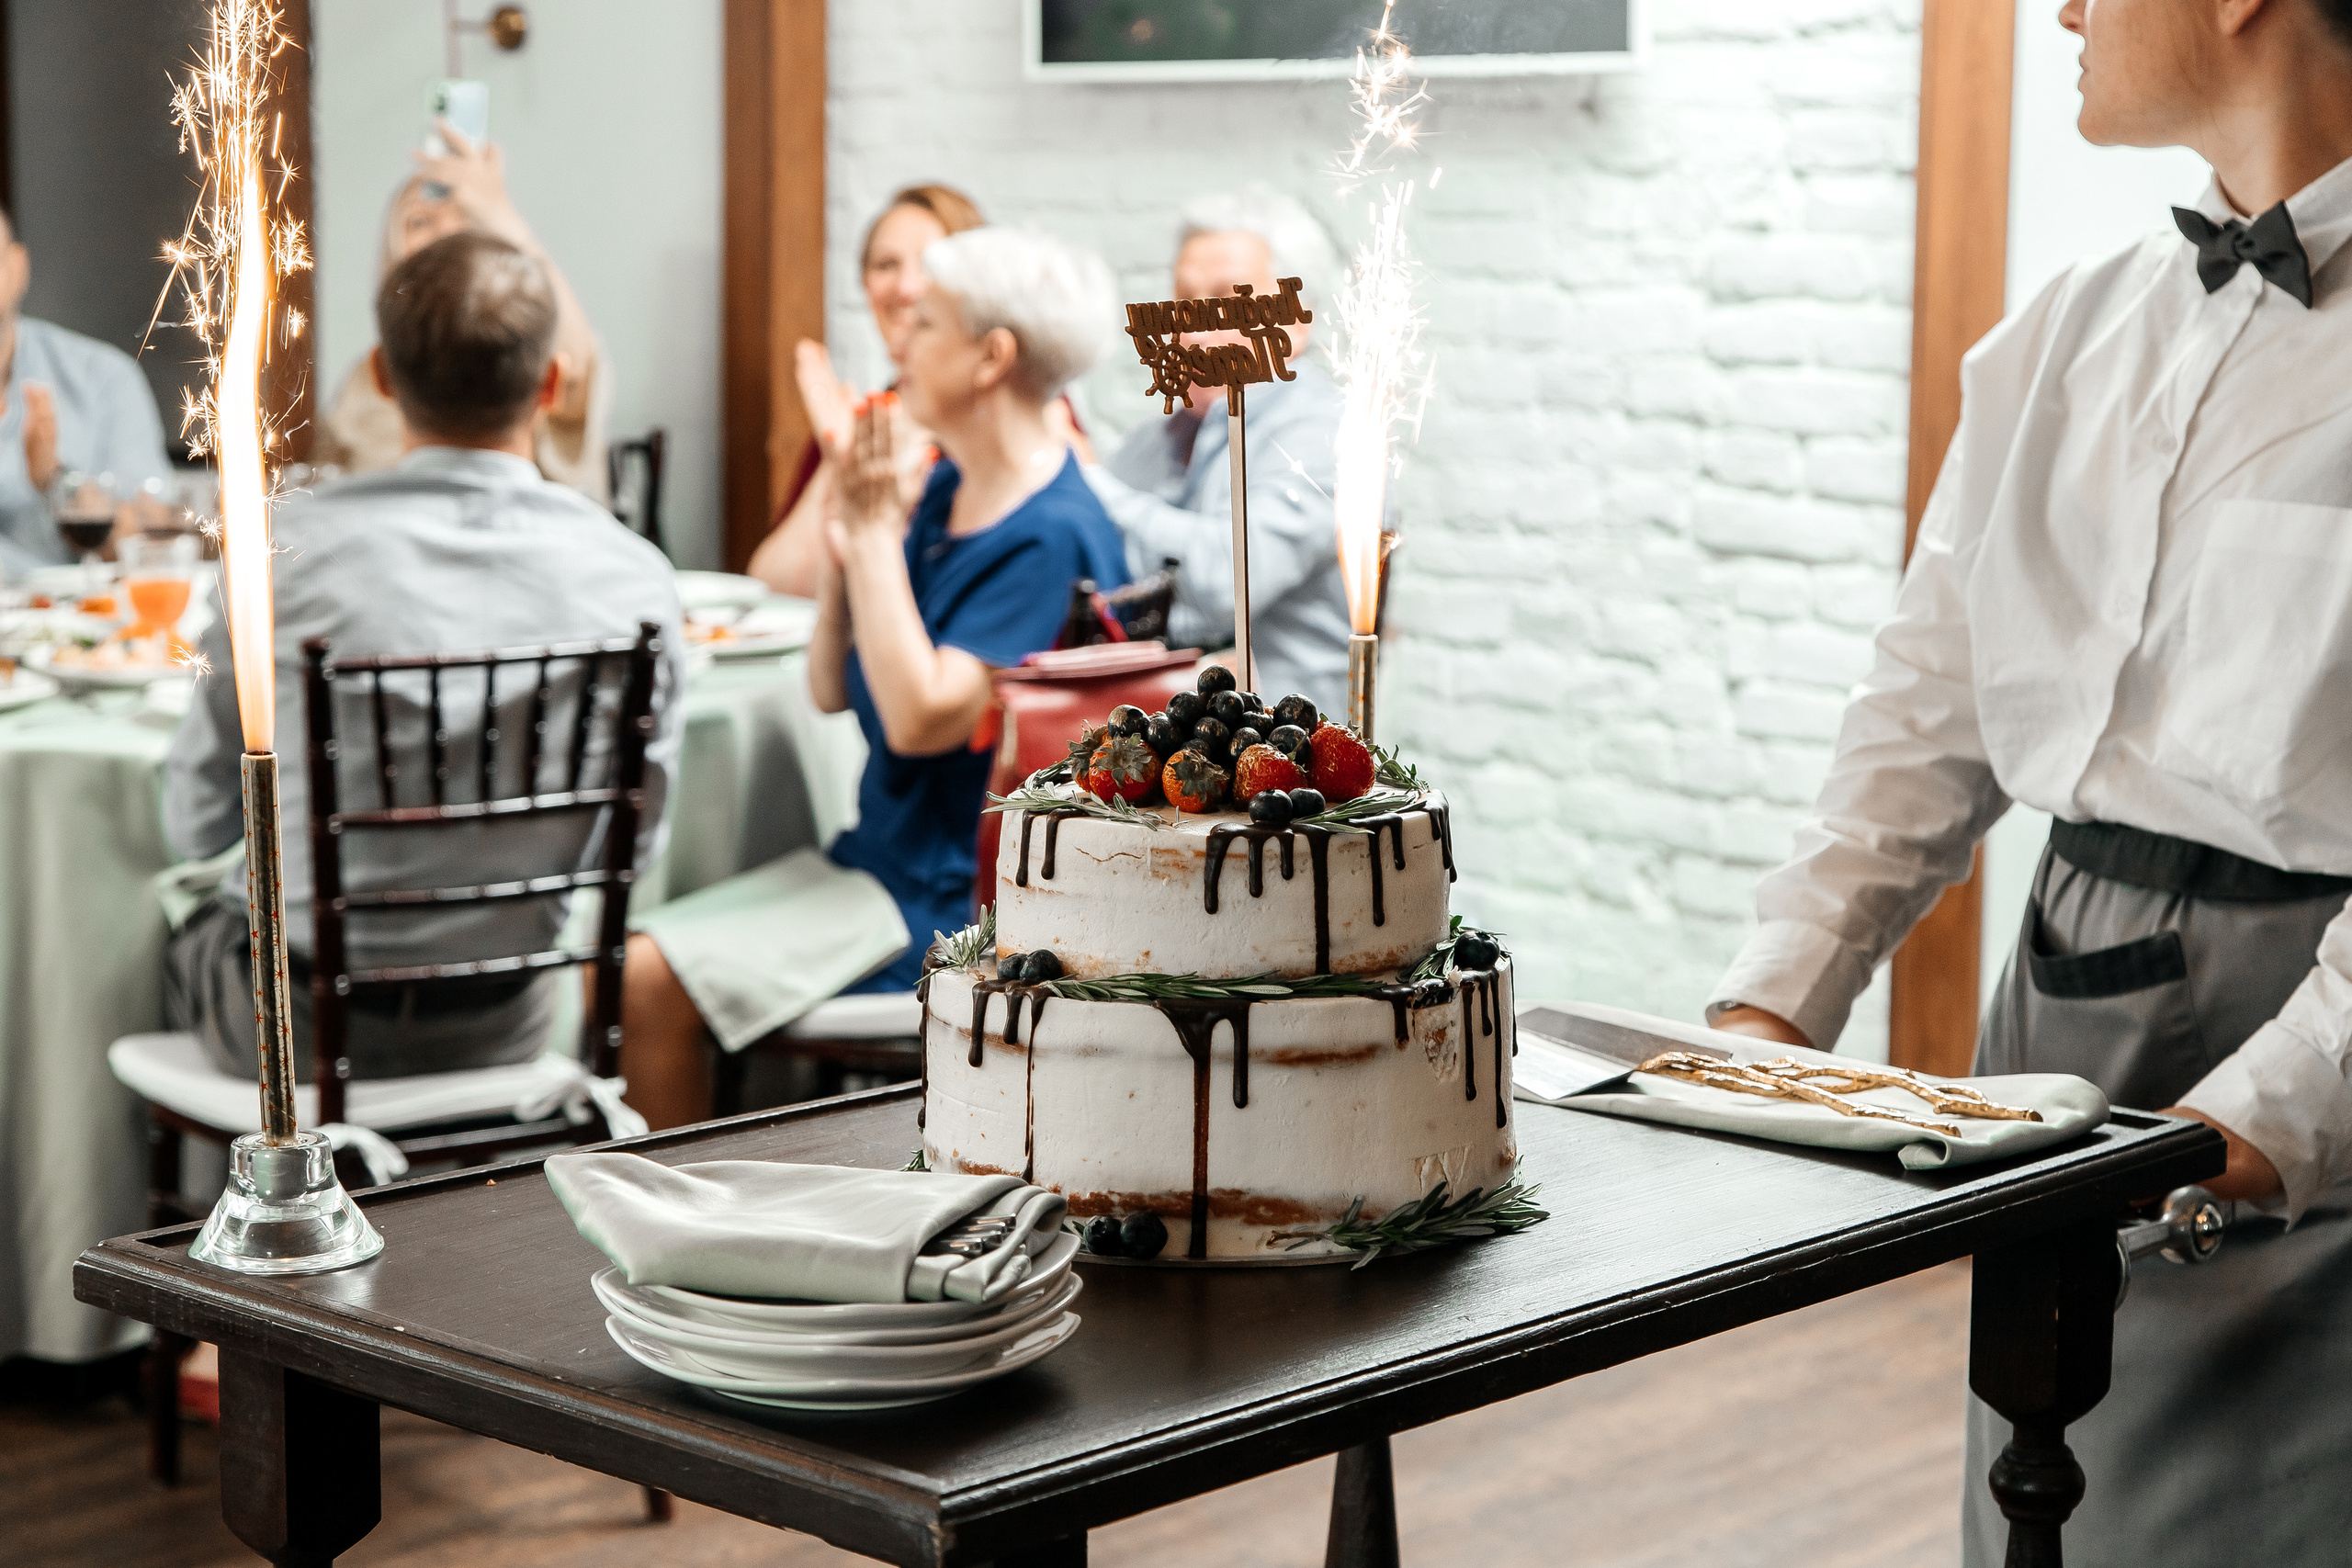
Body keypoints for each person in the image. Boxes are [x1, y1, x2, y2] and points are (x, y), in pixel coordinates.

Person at [1705, 1, 2352, 1562]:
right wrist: (1764, 1018)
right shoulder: (2064, 329)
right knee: (2034, 1516)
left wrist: (2256, 1123)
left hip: (2311, 1038)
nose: (2062, 7)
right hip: (2054, 1016)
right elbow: (1927, 709)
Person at [622, 227, 1129, 1128]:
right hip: (876, 861)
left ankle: (681, 1223)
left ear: (990, 358)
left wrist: (868, 540)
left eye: (924, 324)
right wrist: (858, 541)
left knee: (649, 974)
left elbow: (916, 719)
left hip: (942, 900)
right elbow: (827, 686)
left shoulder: (1050, 531)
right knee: (637, 943)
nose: (899, 342)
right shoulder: (948, 488)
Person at [164, 231, 686, 1082]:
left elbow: (195, 825)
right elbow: (634, 848)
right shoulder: (636, 579)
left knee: (161, 930)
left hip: (299, 1025)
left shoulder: (279, 558)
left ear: (380, 374)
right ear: (551, 385)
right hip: (509, 1013)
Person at [1081, 186, 1351, 715]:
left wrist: (1076, 478)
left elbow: (1223, 583)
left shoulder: (1328, 434)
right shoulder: (1150, 440)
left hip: (1286, 772)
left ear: (1298, 319)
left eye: (1230, 300)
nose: (1194, 329)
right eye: (1182, 302)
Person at [311, 123, 611, 501]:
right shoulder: (359, 386)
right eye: (421, 222)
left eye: (466, 218)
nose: (447, 233)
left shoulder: (520, 354)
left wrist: (505, 220)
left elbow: (576, 368)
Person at [747, 183, 986, 599]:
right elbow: (777, 588)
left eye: (930, 264)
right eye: (885, 265)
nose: (906, 286)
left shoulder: (1019, 404)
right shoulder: (857, 419)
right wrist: (842, 462)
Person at [0, 205, 173, 578]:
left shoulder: (104, 377)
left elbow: (148, 550)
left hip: (77, 621)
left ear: (17, 267)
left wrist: (55, 481)